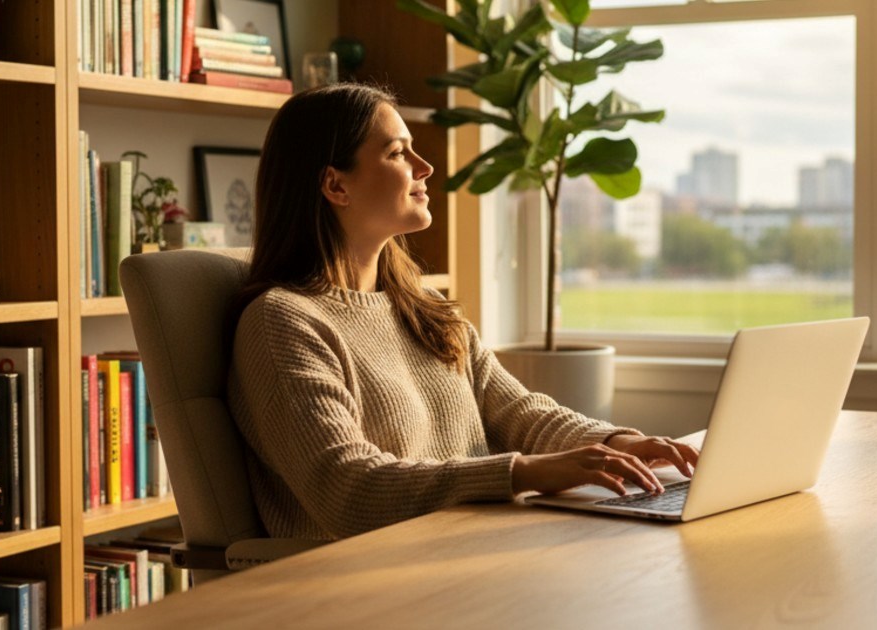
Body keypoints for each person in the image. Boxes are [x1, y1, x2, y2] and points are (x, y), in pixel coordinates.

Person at [228, 83, 699, 541]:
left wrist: (617, 444)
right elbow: (349, 489)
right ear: (335, 184)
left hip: (477, 550)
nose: (425, 167)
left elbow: (521, 415)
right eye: (397, 153)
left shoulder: (425, 311)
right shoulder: (282, 323)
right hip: (367, 587)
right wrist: (521, 473)